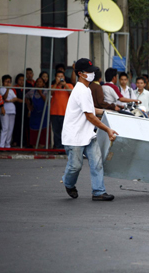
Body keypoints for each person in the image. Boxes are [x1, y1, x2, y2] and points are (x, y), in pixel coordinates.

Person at [62, 58, 118, 201]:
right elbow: (90, 116)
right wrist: (108, 129)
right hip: (74, 136)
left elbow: (91, 109)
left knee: (97, 163)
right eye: (90, 72)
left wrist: (106, 112)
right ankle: (68, 183)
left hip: (87, 134)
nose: (93, 74)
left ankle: (99, 192)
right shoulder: (81, 90)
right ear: (81, 74)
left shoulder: (85, 89)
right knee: (75, 166)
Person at [50, 71, 73, 149]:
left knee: (65, 132)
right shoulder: (53, 86)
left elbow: (72, 94)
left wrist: (65, 85)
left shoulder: (69, 85)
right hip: (54, 112)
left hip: (65, 113)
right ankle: (57, 147)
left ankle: (64, 147)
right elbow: (50, 93)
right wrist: (56, 84)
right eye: (58, 76)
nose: (60, 78)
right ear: (55, 78)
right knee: (56, 132)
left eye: (61, 76)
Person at [25, 78, 50, 148]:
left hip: (43, 114)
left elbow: (47, 101)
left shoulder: (46, 91)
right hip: (34, 114)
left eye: (40, 82)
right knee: (34, 130)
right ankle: (34, 146)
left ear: (43, 84)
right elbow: (26, 97)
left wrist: (41, 94)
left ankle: (42, 147)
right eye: (37, 82)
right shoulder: (32, 91)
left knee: (43, 130)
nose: (39, 83)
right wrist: (28, 105)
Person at [0, 75, 22, 148]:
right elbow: (4, 97)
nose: (8, 83)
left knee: (10, 129)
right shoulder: (1, 89)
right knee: (5, 128)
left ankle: (7, 145)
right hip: (4, 110)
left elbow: (15, 99)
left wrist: (10, 100)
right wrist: (8, 89)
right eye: (6, 81)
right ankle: (1, 145)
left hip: (12, 110)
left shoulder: (12, 90)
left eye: (9, 81)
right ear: (3, 82)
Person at [12, 74, 28, 147]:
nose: (22, 81)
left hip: (25, 109)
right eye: (20, 79)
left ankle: (23, 141)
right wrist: (23, 101)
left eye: (23, 80)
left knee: (24, 125)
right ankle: (15, 141)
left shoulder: (26, 88)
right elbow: (15, 98)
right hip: (17, 108)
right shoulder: (14, 88)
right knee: (17, 125)